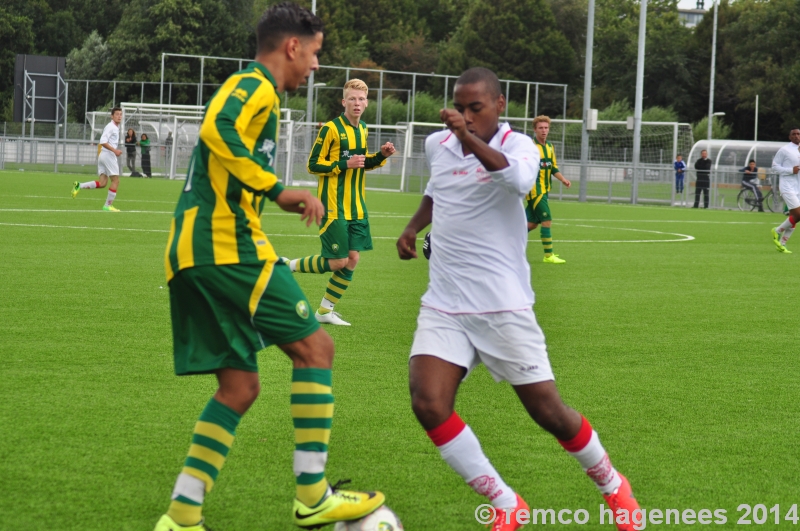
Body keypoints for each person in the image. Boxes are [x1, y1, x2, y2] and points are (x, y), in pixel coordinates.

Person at [154, 5, 385, 531]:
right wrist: (278, 189)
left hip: (191, 251)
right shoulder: (254, 84)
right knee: (316, 347)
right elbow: (216, 127)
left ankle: (181, 516)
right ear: (292, 47)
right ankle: (313, 496)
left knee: (239, 387)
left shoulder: (263, 94)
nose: (317, 65)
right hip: (226, 246)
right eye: (317, 52)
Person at [395, 67, 640, 531]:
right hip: (444, 302)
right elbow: (436, 190)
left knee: (550, 413)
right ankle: (507, 503)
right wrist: (413, 226)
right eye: (460, 107)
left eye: (476, 108)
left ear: (500, 105)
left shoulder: (519, 147)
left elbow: (519, 183)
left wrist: (470, 139)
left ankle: (613, 485)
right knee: (428, 402)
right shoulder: (436, 144)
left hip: (502, 307)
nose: (465, 116)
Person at [285, 78, 396, 326]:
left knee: (352, 259)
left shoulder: (363, 129)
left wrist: (381, 156)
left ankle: (325, 311)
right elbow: (312, 164)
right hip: (333, 206)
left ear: (366, 103)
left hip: (357, 207)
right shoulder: (331, 129)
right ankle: (287, 266)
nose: (357, 103)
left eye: (361, 99)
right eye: (352, 99)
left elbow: (363, 163)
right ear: (344, 101)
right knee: (337, 261)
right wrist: (341, 165)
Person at [524, 115, 571, 264]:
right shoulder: (530, 147)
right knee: (546, 220)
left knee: (530, 224)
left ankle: (502, 242)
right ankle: (548, 255)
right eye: (540, 128)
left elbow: (553, 167)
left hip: (544, 189)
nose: (544, 131)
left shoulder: (550, 147)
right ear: (535, 129)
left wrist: (563, 179)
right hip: (534, 190)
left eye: (546, 128)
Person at [71, 107, 123, 211]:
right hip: (108, 155)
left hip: (103, 155)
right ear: (112, 116)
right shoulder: (111, 127)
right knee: (116, 181)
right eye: (117, 114)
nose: (119, 116)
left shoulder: (114, 127)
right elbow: (103, 141)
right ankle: (107, 206)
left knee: (103, 183)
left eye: (120, 114)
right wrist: (115, 151)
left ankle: (79, 186)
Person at [771, 127, 800, 253]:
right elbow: (774, 167)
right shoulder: (784, 150)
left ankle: (782, 243)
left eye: (798, 134)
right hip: (787, 187)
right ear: (789, 137)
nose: (796, 136)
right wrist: (790, 170)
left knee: (795, 217)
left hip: (797, 187)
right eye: (793, 134)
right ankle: (777, 231)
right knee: (798, 214)